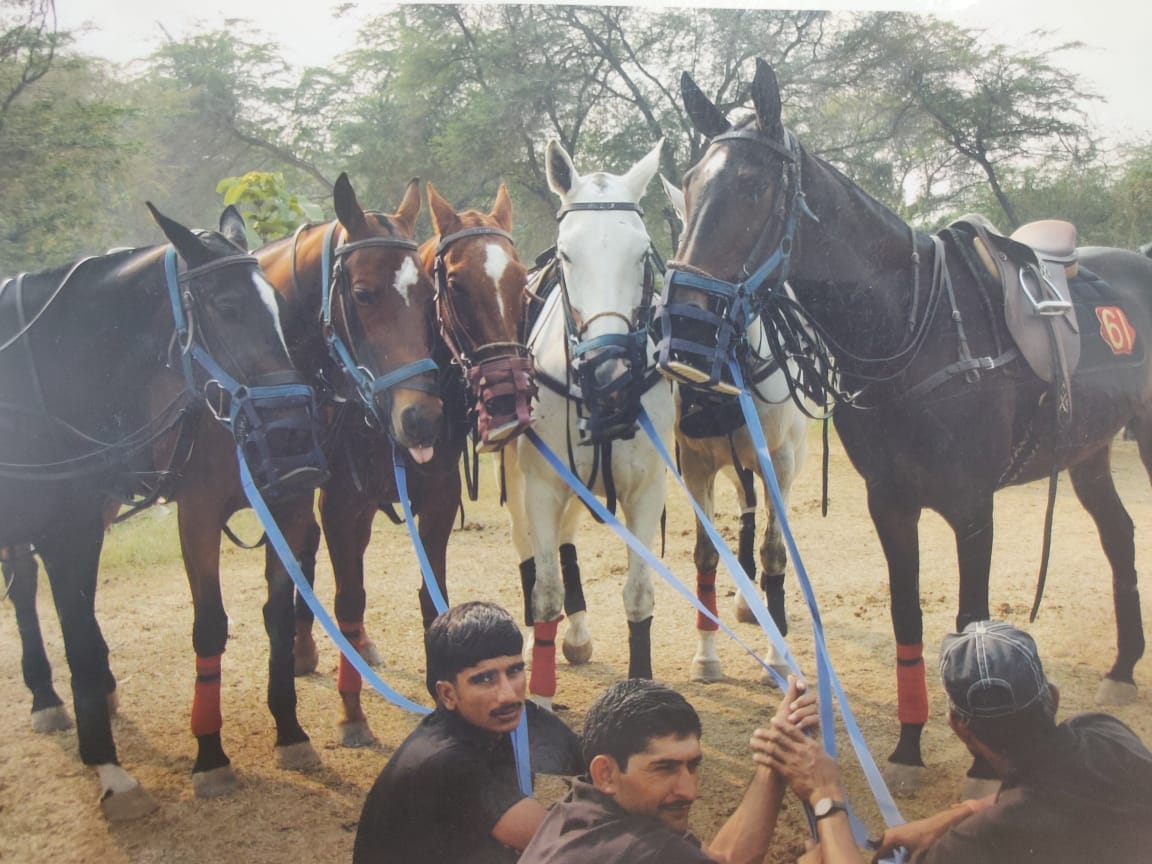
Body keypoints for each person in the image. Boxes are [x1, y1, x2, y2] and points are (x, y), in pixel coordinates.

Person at [759, 620, 1152, 864]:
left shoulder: (979, 843)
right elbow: (1048, 792)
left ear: (959, 728)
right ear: (1053, 697)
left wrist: (827, 799)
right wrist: (960, 812)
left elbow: (1020, 811)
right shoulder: (1104, 731)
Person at [351, 600, 580, 864]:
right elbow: (560, 845)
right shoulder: (447, 760)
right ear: (447, 694)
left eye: (515, 671)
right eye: (485, 679)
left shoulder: (500, 714)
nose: (507, 693)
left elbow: (595, 755)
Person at [518, 674, 819, 864]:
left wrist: (777, 754)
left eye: (693, 765)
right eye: (664, 768)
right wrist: (829, 803)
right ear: (606, 773)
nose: (688, 790)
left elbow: (722, 859)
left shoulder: (572, 813)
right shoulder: (647, 852)